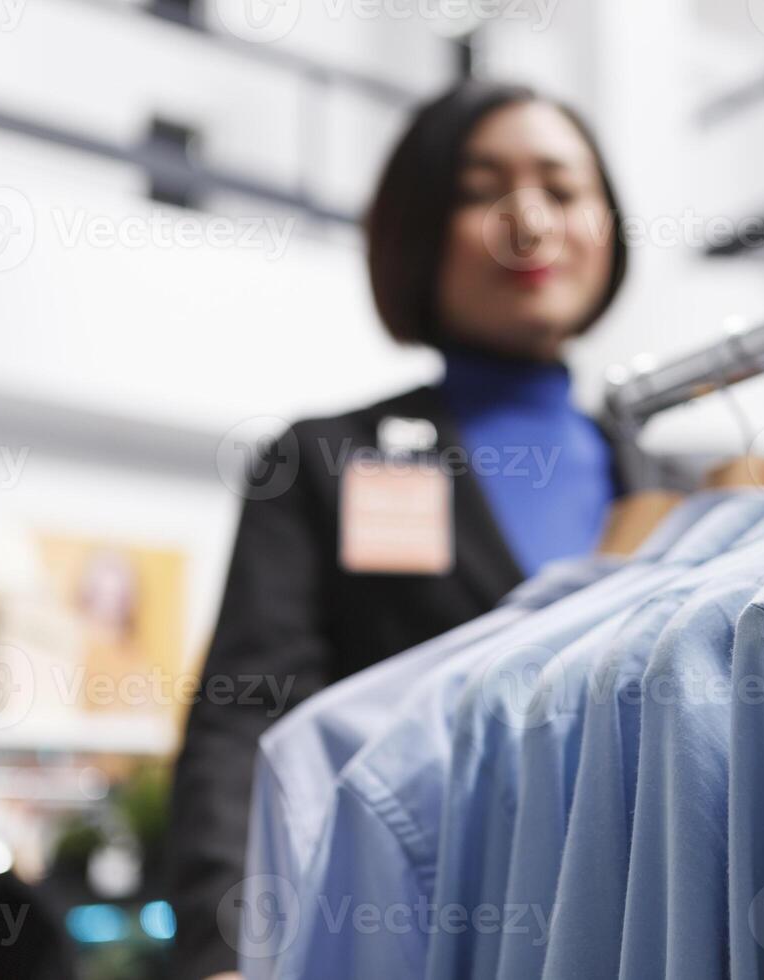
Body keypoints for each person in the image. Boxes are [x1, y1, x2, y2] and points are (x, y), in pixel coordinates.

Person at [165, 80, 631, 980]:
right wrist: (221, 949)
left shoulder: (672, 486)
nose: (528, 221)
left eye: (565, 191)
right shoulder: (326, 461)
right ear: (418, 232)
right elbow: (244, 717)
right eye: (480, 190)